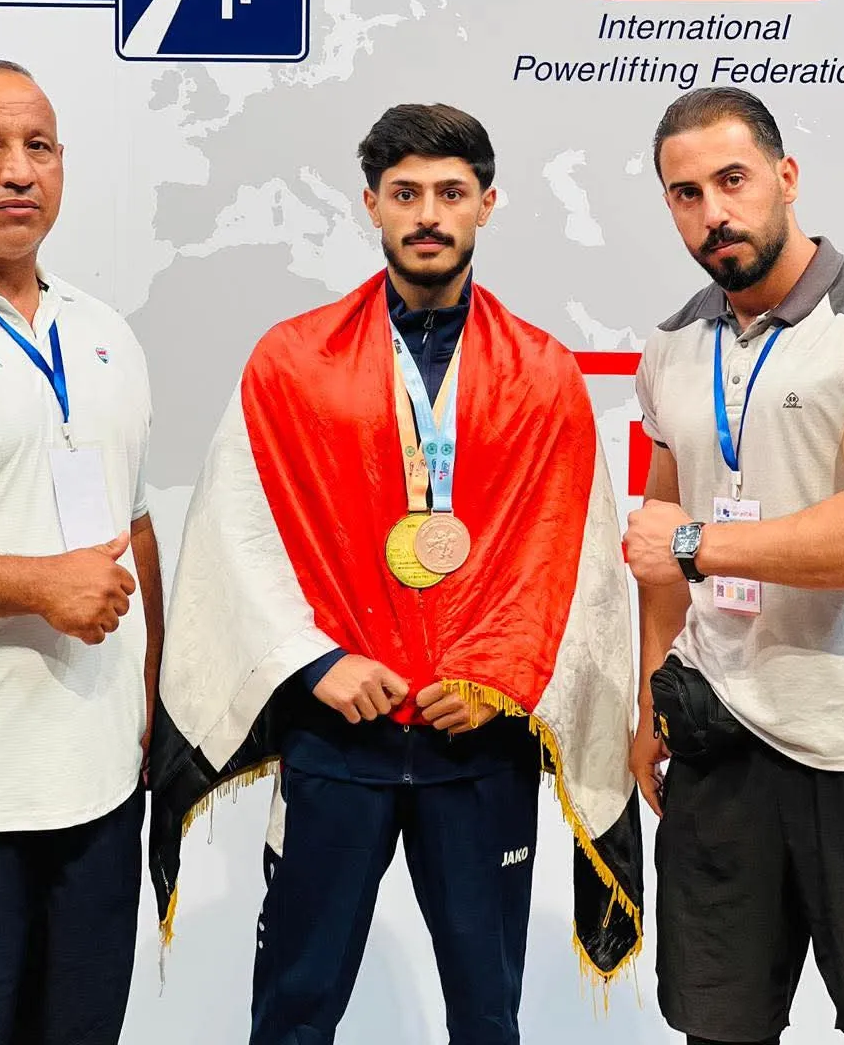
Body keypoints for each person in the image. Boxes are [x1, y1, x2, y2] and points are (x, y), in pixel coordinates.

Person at [149, 102, 642, 1044]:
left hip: (478, 744)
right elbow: (236, 532)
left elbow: (565, 550)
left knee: (488, 1016)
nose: (428, 215)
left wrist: (497, 679)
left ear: (487, 204)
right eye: (405, 193)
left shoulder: (543, 371)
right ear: (370, 203)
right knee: (295, 1008)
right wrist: (316, 662)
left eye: (450, 193)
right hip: (339, 736)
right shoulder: (293, 360)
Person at [0, 61, 163, 1045]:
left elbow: (135, 525)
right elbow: (59, 577)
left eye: (39, 147)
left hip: (99, 794)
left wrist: (149, 705)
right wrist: (34, 585)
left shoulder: (102, 330)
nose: (19, 171)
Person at [625, 86, 844, 1045]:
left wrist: (700, 546)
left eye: (733, 181)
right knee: (717, 1029)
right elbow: (659, 537)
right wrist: (649, 696)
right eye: (686, 194)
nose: (713, 212)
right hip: (719, 737)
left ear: (786, 176)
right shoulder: (671, 344)